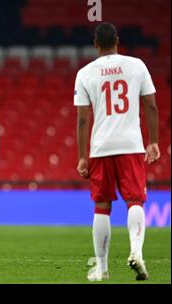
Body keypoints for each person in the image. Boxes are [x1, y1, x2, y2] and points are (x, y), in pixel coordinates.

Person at [74, 22, 160, 281]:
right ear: (118, 40)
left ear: (95, 44)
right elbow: (151, 106)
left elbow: (82, 120)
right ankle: (136, 252)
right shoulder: (137, 66)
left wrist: (82, 156)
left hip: (101, 147)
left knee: (102, 206)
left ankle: (102, 269)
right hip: (131, 144)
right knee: (135, 201)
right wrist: (153, 141)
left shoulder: (85, 73)